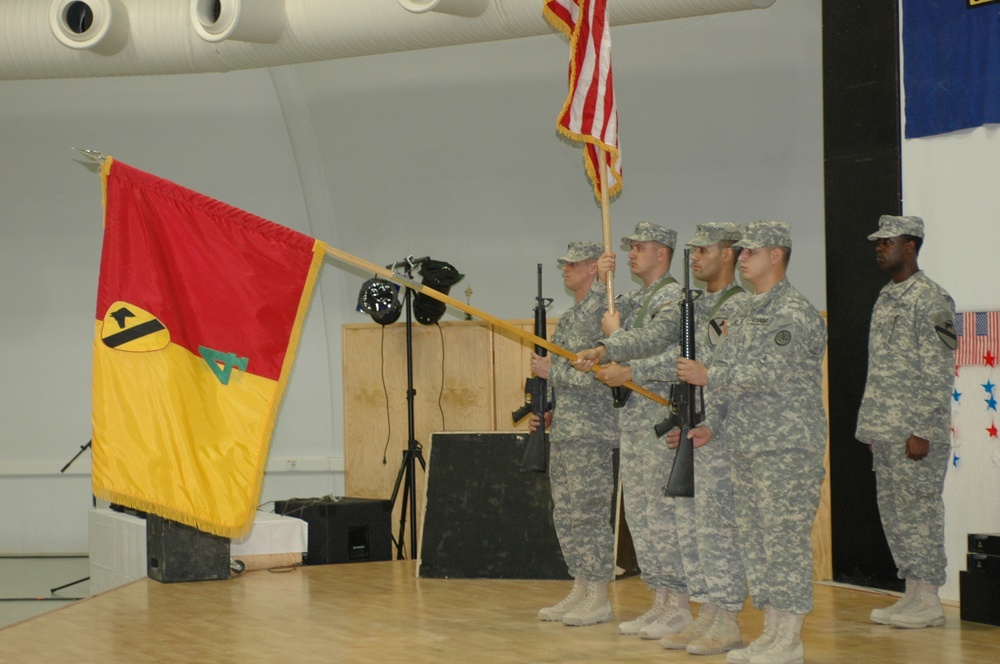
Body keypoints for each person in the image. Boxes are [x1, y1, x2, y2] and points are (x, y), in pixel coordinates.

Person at [681, 221, 827, 664]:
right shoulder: (743, 311)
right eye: (740, 252)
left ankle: (790, 637)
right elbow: (729, 380)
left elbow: (769, 373)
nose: (741, 258)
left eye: (750, 252)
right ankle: (772, 630)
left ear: (776, 255)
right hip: (744, 444)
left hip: (786, 446)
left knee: (783, 539)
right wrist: (714, 424)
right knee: (757, 540)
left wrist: (710, 376)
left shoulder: (795, 312)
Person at [572, 221, 693, 641]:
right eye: (629, 249)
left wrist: (613, 341)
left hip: (660, 423)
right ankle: (659, 600)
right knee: (640, 517)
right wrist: (599, 280)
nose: (631, 255)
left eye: (639, 248)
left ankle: (678, 604)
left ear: (662, 252)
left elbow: (655, 339)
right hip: (634, 423)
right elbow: (599, 325)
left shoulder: (673, 297)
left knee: (662, 516)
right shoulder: (633, 297)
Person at [855, 215, 956, 629]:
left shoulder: (932, 299)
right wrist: (874, 426)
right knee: (896, 515)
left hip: (916, 433)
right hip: (886, 430)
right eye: (877, 242)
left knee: (920, 514)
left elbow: (938, 370)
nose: (880, 248)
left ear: (911, 246)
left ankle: (929, 598)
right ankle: (911, 593)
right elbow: (881, 369)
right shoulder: (886, 296)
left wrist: (924, 430)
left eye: (888, 241)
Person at [661, 223, 749, 656]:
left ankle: (728, 619)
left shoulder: (740, 306)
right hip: (695, 426)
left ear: (729, 254)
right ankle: (709, 614)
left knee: (719, 529)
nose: (695, 258)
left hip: (721, 434)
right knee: (697, 530)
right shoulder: (696, 305)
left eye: (705, 250)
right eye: (692, 251)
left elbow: (731, 376)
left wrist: (714, 423)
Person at [532, 241, 620, 627]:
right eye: (564, 264)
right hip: (567, 428)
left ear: (593, 268)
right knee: (566, 513)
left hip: (593, 429)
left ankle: (599, 594)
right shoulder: (570, 316)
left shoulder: (607, 311)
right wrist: (547, 407)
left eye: (573, 264)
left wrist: (555, 373)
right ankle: (580, 584)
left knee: (589, 513)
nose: (565, 269)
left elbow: (605, 376)